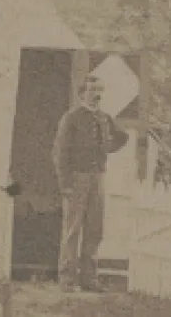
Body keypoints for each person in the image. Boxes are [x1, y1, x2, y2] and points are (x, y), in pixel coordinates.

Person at [52, 76, 129, 292]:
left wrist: (109, 147)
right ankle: (67, 280)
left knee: (95, 228)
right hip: (76, 177)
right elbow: (60, 153)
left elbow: (122, 136)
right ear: (81, 94)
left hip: (98, 177)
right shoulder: (71, 118)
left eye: (99, 91)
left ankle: (89, 279)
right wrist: (65, 183)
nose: (97, 95)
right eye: (92, 91)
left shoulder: (104, 118)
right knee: (72, 229)